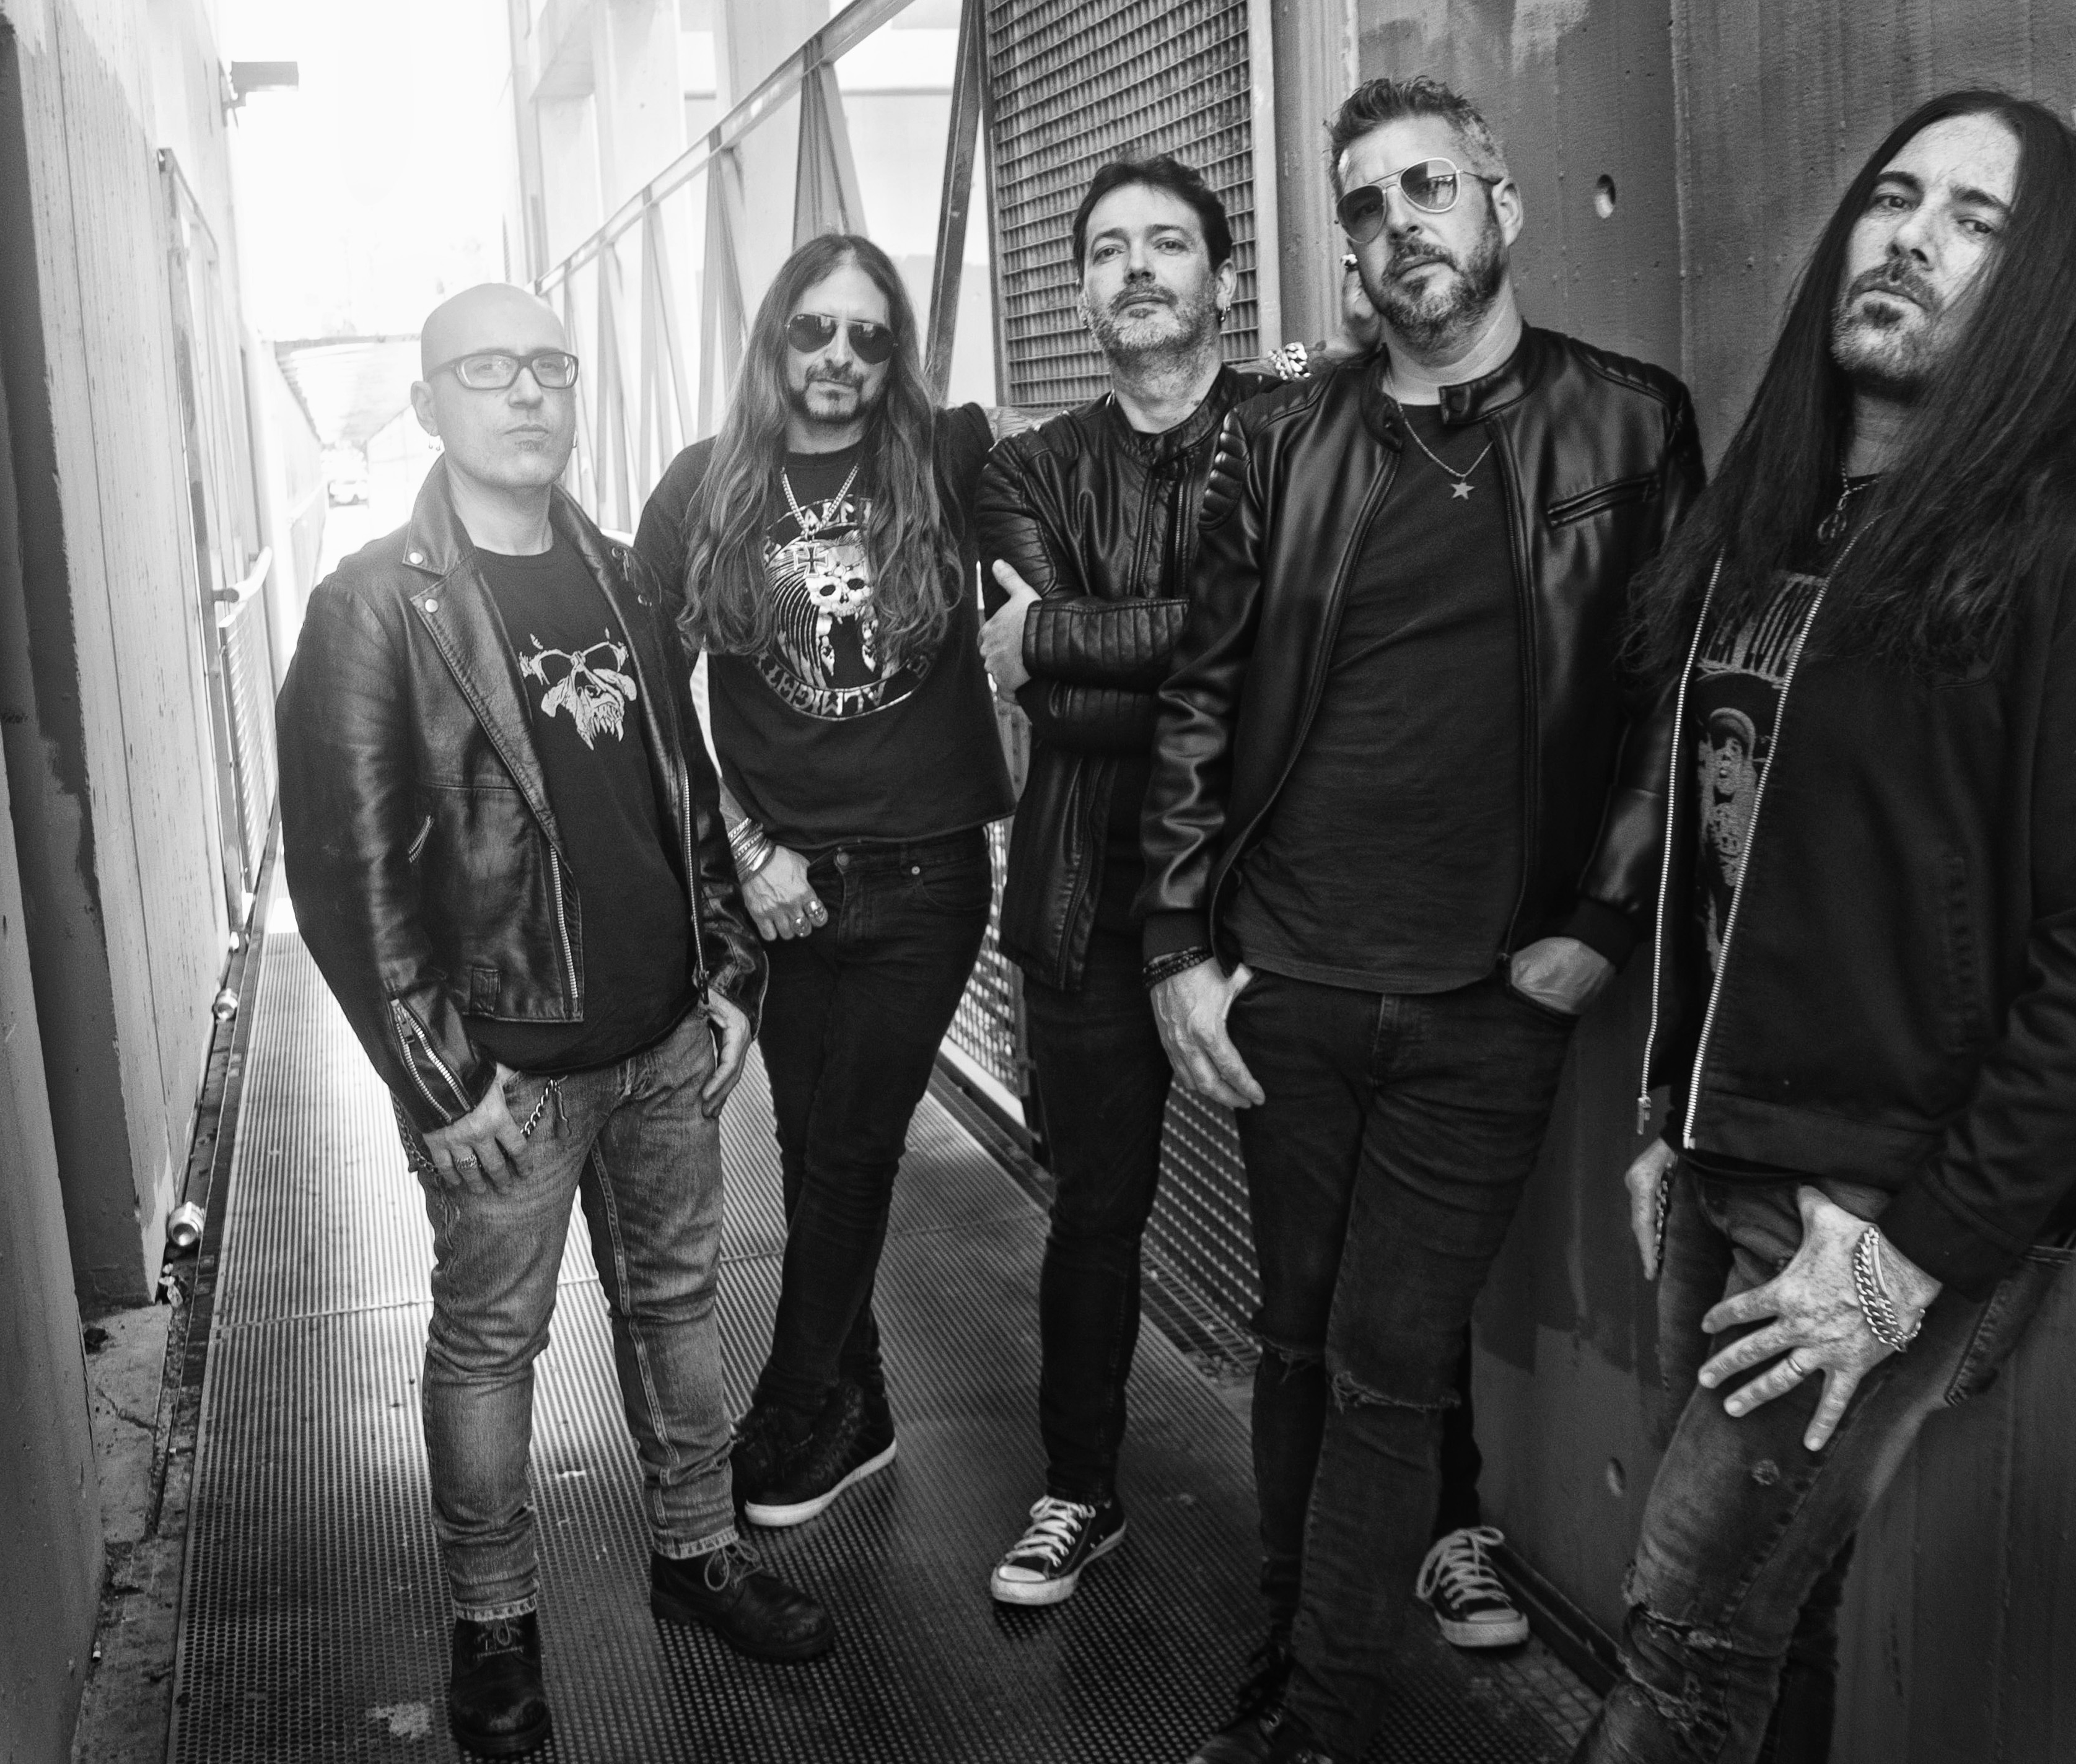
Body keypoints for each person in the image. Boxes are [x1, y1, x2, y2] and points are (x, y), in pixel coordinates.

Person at [1569, 91, 2076, 1764]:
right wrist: (1668, 1108)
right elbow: (1735, 852)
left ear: (2043, 292)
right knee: (1768, 1622)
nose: (1913, 238)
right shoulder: (1771, 526)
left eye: (1975, 223)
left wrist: (1911, 1252)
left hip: (1877, 1206)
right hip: (1722, 1157)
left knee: (1678, 1641)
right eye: (1895, 199)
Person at [1141, 78, 1702, 1764]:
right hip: (1295, 981)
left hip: (1485, 995)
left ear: (1500, 205)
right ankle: (1289, 1647)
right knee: (1295, 1345)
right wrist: (1180, 946)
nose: (1401, 226)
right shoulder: (1277, 441)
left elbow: (1668, 695)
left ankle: (1317, 1720)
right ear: (1349, 255)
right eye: (1366, 207)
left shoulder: (1628, 425)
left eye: (1429, 188)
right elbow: (1198, 694)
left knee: (1386, 1361)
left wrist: (1603, 919)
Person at [971, 156, 1531, 1645]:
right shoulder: (1023, 472)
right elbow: (1109, 687)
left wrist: (1073, 640)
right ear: (1078, 291)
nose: (1136, 268)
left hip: (1289, 890)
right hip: (1093, 895)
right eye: (1106, 249)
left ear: (1222, 276)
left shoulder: (1308, 426)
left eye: (1167, 242)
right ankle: (1078, 1487)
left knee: (1369, 1237)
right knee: (1095, 1213)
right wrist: (1192, 652)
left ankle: (1442, 1517)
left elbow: (1297, 649)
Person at [276, 285, 833, 1760]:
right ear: (428, 404)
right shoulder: (373, 605)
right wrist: (438, 1080)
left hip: (662, 1046)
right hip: (504, 1076)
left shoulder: (622, 574)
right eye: (487, 369)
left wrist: (727, 978)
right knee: (488, 1351)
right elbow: (345, 864)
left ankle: (698, 1551)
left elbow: (682, 791)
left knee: (675, 1311)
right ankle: (493, 1624)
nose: (526, 393)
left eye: (547, 365)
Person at [632, 234, 1015, 1533]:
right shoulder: (703, 488)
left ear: (893, 351)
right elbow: (650, 701)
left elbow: (1109, 460)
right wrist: (747, 852)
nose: (840, 356)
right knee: (811, 1154)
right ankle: (861, 1412)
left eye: (868, 334)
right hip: (781, 888)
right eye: (815, 328)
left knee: (850, 1152)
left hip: (923, 878)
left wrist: (1291, 372)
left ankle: (786, 1409)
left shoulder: (949, 458)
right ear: (775, 337)